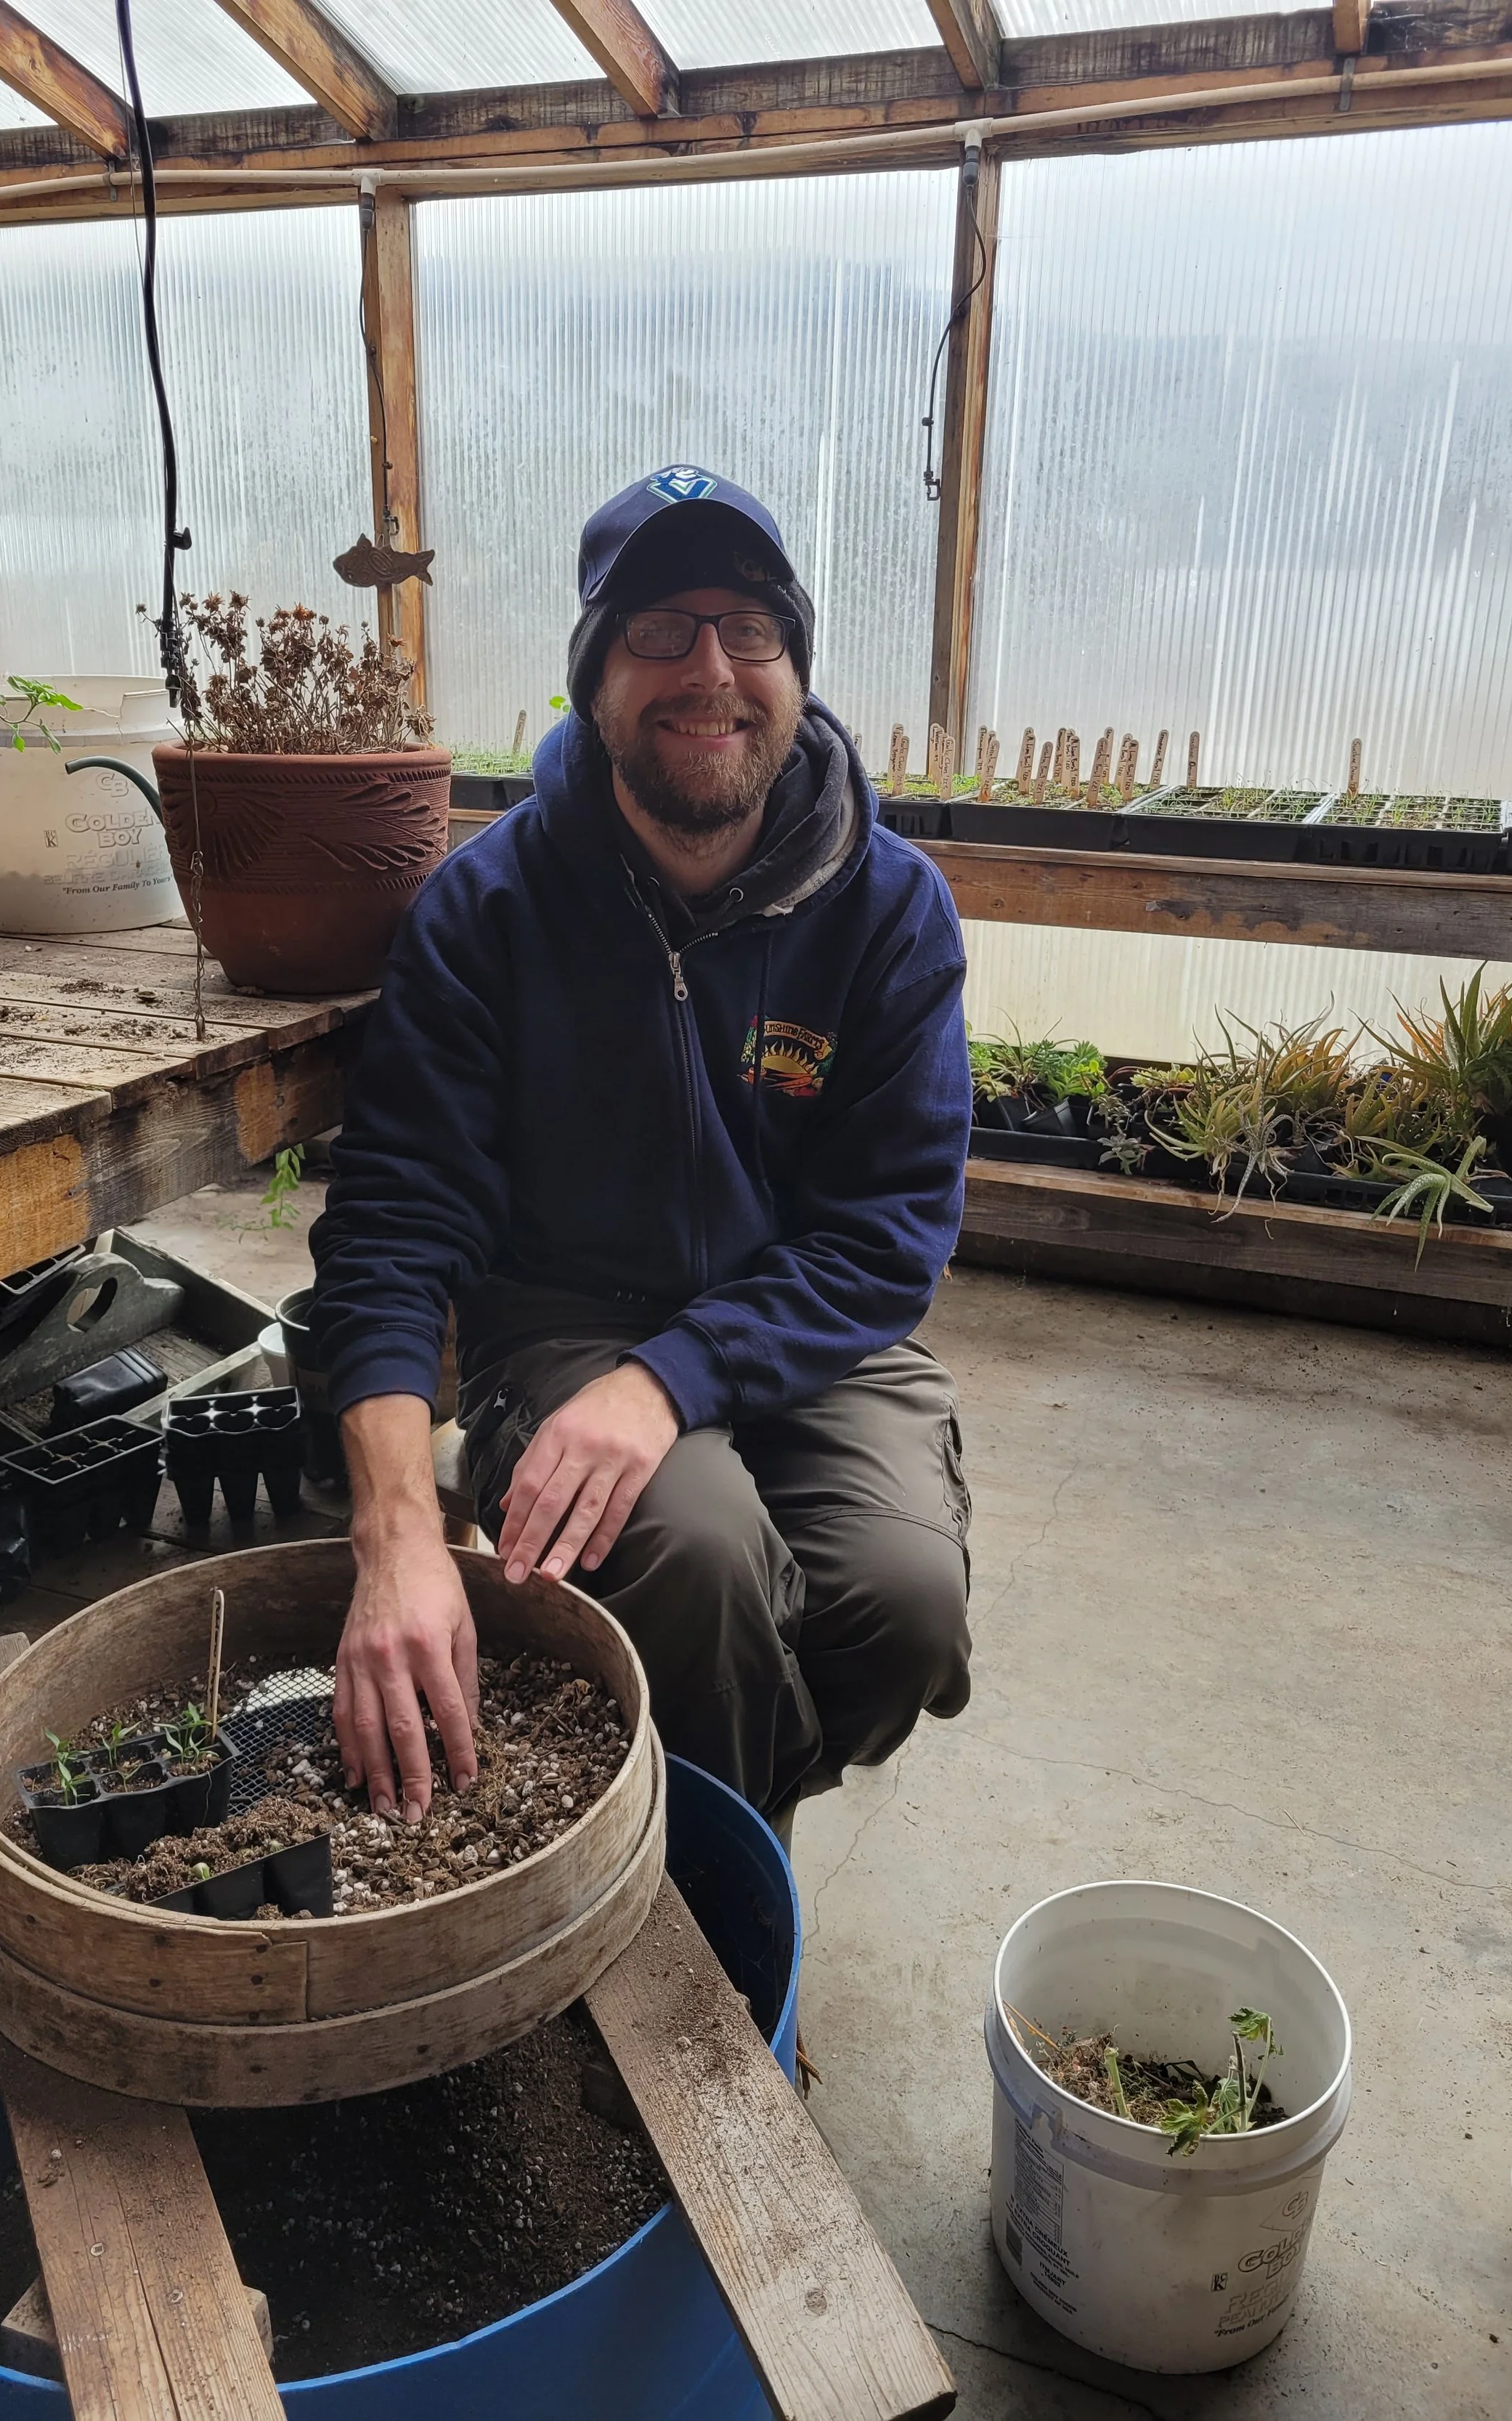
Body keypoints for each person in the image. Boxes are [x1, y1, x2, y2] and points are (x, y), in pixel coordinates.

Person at [310, 464, 975, 1836]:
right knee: (701, 1561)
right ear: (595, 678)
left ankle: (682, 1804)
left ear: (795, 664)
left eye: (751, 628)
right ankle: (728, 1909)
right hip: (560, 1317)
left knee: (906, 1606)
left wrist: (674, 1378)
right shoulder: (484, 911)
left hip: (803, 1320)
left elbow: (885, 1234)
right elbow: (392, 1225)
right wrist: (396, 1536)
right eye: (658, 629)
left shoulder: (891, 911)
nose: (710, 670)